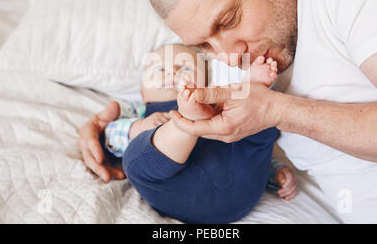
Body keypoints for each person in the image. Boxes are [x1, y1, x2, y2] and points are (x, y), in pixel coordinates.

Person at [79, 0, 377, 223]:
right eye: (204, 47)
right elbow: (165, 89)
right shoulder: (228, 61)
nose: (229, 54)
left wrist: (278, 111)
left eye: (228, 20)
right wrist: (109, 127)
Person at [101, 43, 296, 223]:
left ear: (206, 83)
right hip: (180, 192)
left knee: (247, 123)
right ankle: (186, 123)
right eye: (160, 70)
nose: (173, 72)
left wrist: (274, 171)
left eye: (186, 68)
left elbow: (243, 152)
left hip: (241, 189)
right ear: (143, 93)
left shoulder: (216, 103)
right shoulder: (139, 111)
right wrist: (136, 128)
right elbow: (110, 135)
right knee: (134, 158)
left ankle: (249, 91)